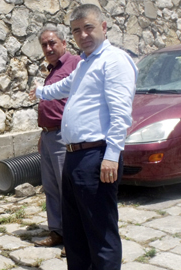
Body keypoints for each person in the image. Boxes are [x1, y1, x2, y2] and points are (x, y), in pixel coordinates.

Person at [29, 4, 137, 269]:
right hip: (75, 156)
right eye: (77, 30)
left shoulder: (114, 60)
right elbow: (65, 87)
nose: (83, 35)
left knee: (100, 233)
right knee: (76, 234)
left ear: (103, 26)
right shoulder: (86, 64)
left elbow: (121, 113)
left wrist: (112, 155)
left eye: (88, 27)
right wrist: (41, 92)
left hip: (96, 157)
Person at [32, 25, 81, 255]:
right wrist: (44, 134)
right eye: (44, 44)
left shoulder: (75, 64)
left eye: (52, 43)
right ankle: (57, 232)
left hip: (65, 135)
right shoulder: (51, 70)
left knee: (67, 190)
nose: (48, 48)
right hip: (49, 135)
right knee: (51, 188)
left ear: (64, 43)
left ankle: (74, 239)